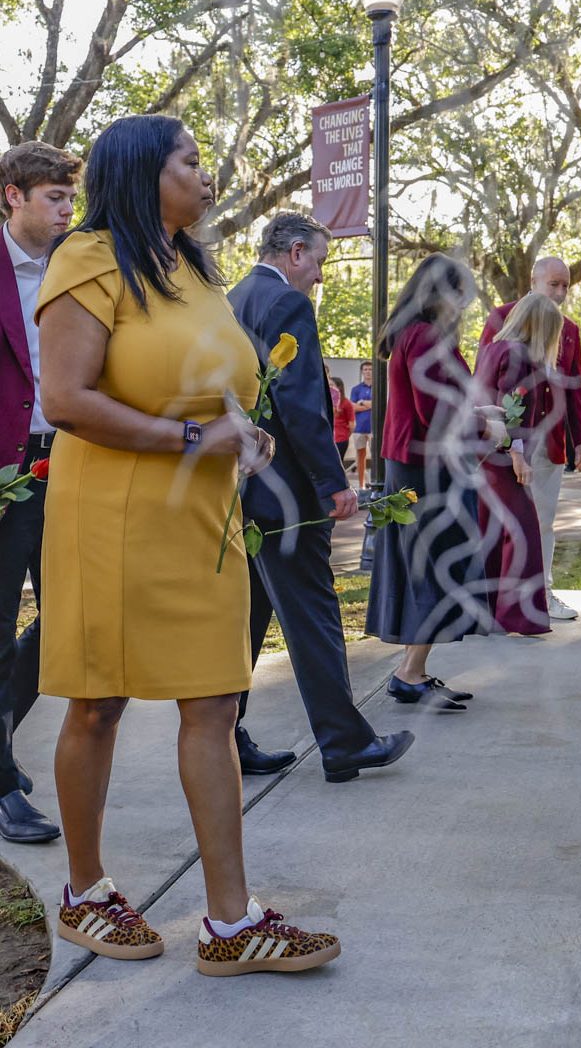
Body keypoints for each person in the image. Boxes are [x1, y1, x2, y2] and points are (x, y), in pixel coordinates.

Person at [37, 114, 338, 974]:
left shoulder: (192, 268)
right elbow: (65, 396)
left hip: (201, 518)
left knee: (213, 702)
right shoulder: (88, 258)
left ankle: (230, 923)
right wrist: (184, 442)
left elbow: (213, 390)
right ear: (141, 172)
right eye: (191, 161)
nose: (207, 178)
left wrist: (242, 433)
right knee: (97, 702)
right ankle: (85, 892)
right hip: (116, 512)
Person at [229, 210, 413, 782]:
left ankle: (226, 740)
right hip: (287, 492)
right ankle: (344, 743)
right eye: (320, 264)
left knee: (249, 620)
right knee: (312, 613)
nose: (320, 278)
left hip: (245, 488)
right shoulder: (287, 304)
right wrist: (333, 483)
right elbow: (302, 402)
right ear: (297, 253)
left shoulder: (235, 298)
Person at [366, 252, 506, 710]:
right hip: (427, 473)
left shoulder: (414, 334)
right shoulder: (426, 337)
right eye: (460, 295)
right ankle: (409, 673)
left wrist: (480, 412)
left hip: (416, 465)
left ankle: (414, 671)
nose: (464, 305)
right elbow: (440, 413)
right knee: (433, 567)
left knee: (426, 567)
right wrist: (488, 429)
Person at [0, 141, 81, 845]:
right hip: (5, 467)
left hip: (69, 461)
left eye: (70, 199)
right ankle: (1, 783)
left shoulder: (74, 270)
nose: (66, 211)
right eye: (54, 198)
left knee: (66, 618)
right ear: (13, 196)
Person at [479, 257, 581, 621]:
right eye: (553, 284)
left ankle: (541, 594)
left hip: (549, 441)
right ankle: (489, 600)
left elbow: (575, 389)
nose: (559, 292)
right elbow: (483, 379)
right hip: (502, 440)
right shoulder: (502, 317)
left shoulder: (569, 329)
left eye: (565, 286)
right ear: (533, 281)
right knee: (495, 519)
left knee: (542, 520)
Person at [475, 293, 564, 635]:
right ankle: (519, 615)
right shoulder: (516, 354)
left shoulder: (493, 348)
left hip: (482, 453)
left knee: (491, 531)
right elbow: (509, 406)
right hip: (501, 453)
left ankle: (487, 612)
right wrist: (517, 455)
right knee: (522, 531)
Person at [350, 361, 373, 488]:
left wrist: (362, 402)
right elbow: (353, 407)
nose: (368, 372)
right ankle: (361, 485)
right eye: (365, 369)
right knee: (360, 457)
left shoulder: (380, 388)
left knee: (378, 458)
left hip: (375, 429)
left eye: (370, 369)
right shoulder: (356, 389)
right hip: (359, 428)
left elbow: (381, 405)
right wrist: (371, 405)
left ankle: (377, 483)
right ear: (362, 372)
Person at [330, 374, 355, 466]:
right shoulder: (325, 401)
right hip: (328, 438)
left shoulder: (346, 403)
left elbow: (351, 424)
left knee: (337, 464)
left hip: (340, 438)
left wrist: (345, 435)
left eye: (332, 385)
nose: (330, 387)